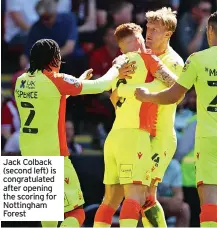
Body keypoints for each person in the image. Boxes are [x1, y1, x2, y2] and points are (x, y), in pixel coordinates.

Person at [135, 11, 217, 227]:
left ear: (209, 30)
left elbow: (174, 96)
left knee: (208, 208)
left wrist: (146, 96)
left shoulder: (198, 59)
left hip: (210, 140)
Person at [14, 38, 128, 228]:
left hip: (28, 153)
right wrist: (117, 67)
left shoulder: (21, 81)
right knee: (76, 213)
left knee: (48, 213)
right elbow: (101, 85)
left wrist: (78, 83)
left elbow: (50, 99)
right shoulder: (56, 80)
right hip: (53, 154)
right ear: (53, 59)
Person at [93, 22, 181, 228]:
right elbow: (176, 85)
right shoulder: (147, 58)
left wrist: (122, 91)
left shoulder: (117, 63)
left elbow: (112, 97)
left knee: (110, 200)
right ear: (139, 39)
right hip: (136, 135)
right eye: (146, 33)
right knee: (136, 196)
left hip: (114, 136)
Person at [119, 7, 184, 227]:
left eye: (156, 30)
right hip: (141, 135)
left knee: (145, 195)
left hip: (161, 137)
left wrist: (124, 90)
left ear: (168, 34)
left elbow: (155, 89)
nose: (149, 33)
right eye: (148, 28)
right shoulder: (142, 56)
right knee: (143, 196)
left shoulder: (173, 61)